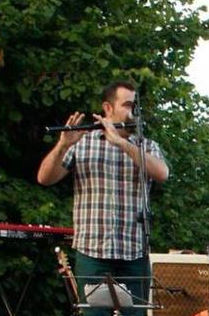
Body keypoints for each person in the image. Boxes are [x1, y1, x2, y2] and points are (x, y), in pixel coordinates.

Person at [37, 81, 169, 316]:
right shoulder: (84, 142)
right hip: (93, 252)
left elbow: (162, 173)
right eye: (127, 105)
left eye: (135, 105)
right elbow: (45, 178)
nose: (133, 111)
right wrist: (61, 146)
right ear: (108, 108)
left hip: (133, 252)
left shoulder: (145, 146)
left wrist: (121, 142)